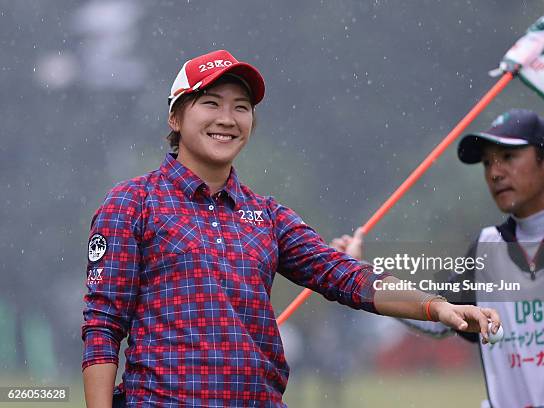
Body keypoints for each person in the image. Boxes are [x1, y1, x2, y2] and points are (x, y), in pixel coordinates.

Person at [81, 49, 501, 407]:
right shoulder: (132, 203)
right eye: (210, 103)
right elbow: (103, 325)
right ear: (176, 117)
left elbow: (347, 275)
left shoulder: (266, 216)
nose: (227, 118)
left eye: (241, 107)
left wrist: (437, 306)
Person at [332, 108, 544, 407]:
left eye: (508, 157)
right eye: (488, 162)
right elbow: (439, 318)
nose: (494, 172)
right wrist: (359, 271)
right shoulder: (488, 247)